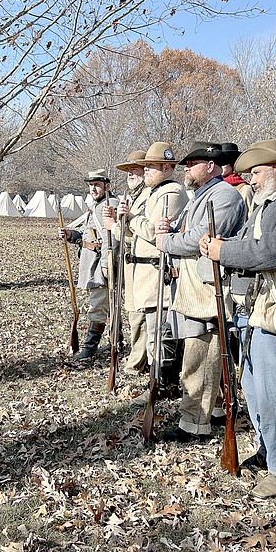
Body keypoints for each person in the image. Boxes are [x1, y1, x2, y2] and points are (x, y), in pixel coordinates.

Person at [203, 139, 276, 498]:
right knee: (254, 387)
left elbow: (273, 251)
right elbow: (249, 243)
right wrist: (228, 246)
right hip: (259, 307)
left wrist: (224, 251)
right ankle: (270, 448)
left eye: (256, 172)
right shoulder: (267, 201)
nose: (251, 180)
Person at [155, 142, 246, 441]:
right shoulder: (203, 196)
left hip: (209, 290)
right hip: (195, 288)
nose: (186, 169)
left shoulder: (224, 196)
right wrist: (171, 230)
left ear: (210, 166)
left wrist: (166, 242)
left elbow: (199, 239)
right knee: (205, 357)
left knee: (199, 357)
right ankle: (215, 410)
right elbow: (188, 233)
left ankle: (194, 423)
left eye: (192, 164)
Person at [106, 143, 186, 390]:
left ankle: (162, 384)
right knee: (153, 333)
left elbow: (153, 232)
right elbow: (136, 236)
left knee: (159, 335)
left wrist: (130, 217)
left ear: (167, 167)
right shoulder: (154, 193)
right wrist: (121, 222)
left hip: (157, 274)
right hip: (143, 273)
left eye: (150, 166)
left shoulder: (171, 193)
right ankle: (157, 380)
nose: (145, 170)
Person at [60, 169, 118, 360]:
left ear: (107, 186)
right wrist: (71, 235)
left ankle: (90, 348)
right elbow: (87, 233)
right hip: (92, 261)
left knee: (98, 306)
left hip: (101, 263)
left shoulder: (109, 206)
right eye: (91, 185)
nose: (93, 188)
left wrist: (105, 264)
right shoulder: (96, 206)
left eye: (97, 185)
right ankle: (117, 340)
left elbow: (112, 239)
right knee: (105, 305)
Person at [105, 150, 149, 375]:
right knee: (132, 311)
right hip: (130, 261)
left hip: (144, 262)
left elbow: (138, 232)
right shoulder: (132, 196)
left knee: (139, 314)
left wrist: (113, 225)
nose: (131, 174)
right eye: (129, 170)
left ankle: (137, 362)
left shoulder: (149, 195)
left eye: (136, 169)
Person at [221, 142, 254, 213]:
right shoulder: (214, 188)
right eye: (218, 163)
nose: (220, 166)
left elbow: (249, 217)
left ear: (232, 164)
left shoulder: (244, 190)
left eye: (223, 163)